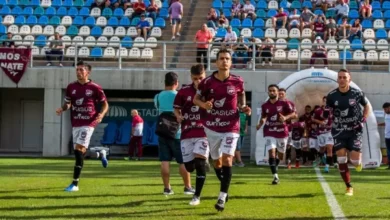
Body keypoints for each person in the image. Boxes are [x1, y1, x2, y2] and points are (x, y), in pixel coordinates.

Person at [193, 48, 251, 211]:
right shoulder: (207, 82)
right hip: (211, 127)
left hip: (231, 126)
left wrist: (244, 107)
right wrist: (204, 105)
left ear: (231, 62)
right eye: (221, 58)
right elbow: (196, 99)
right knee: (217, 162)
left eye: (227, 58)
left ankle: (221, 197)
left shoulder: (238, 81)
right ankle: (225, 187)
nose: (224, 61)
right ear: (216, 62)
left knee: (227, 159)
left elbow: (241, 98)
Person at [56, 61, 109, 192]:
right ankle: (99, 154)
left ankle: (75, 184)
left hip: (89, 122)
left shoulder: (95, 88)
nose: (78, 72)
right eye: (77, 70)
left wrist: (101, 115)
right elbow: (68, 103)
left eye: (81, 70)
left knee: (78, 150)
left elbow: (105, 104)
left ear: (88, 72)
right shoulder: (71, 87)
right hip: (76, 122)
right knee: (81, 152)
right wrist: (63, 109)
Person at [326, 68, 370, 196]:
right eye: (340, 77)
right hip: (339, 130)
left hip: (354, 130)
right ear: (337, 79)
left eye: (344, 77)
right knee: (341, 158)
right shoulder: (331, 95)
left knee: (355, 161)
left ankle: (358, 163)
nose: (342, 79)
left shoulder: (357, 93)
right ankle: (348, 186)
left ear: (349, 79)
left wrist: (363, 119)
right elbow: (328, 109)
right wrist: (326, 113)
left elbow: (366, 106)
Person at [173, 64, 209, 206]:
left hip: (203, 132)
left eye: (201, 78)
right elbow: (176, 109)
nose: (198, 81)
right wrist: (178, 116)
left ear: (204, 75)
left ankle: (197, 196)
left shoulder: (210, 91)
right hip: (187, 132)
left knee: (199, 163)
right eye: (195, 79)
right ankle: (202, 162)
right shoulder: (183, 92)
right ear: (191, 77)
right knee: (189, 167)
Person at [154, 72, 194, 195]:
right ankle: (187, 187)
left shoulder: (158, 96)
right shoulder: (180, 95)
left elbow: (158, 109)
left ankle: (167, 188)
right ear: (176, 83)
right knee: (183, 161)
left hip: (162, 132)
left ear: (164, 82)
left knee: (165, 161)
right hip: (178, 133)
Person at [256, 84, 295, 185]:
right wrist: (260, 124)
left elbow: (294, 114)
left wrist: (285, 118)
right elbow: (264, 116)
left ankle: (275, 164)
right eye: (270, 90)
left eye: (274, 90)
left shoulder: (285, 103)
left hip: (282, 132)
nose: (272, 92)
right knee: (272, 153)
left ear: (278, 92)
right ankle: (275, 177)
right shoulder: (265, 105)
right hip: (269, 131)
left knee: (281, 156)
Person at [312, 96, 334, 173]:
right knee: (322, 149)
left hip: (329, 132)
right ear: (322, 101)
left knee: (329, 148)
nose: (326, 102)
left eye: (327, 101)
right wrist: (320, 122)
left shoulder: (332, 110)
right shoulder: (318, 110)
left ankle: (327, 167)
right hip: (320, 132)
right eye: (324, 101)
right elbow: (313, 119)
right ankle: (320, 157)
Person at [278, 88, 297, 169]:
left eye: (282, 94)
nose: (281, 95)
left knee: (288, 145)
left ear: (285, 94)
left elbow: (296, 115)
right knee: (276, 145)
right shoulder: (274, 103)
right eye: (280, 94)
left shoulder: (290, 103)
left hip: (288, 128)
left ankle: (288, 161)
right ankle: (276, 162)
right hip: (277, 128)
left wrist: (286, 117)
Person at [378, 102, 390, 169]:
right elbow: (386, 123)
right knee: (388, 151)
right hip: (387, 136)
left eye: (386, 109)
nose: (385, 111)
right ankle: (389, 164)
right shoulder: (386, 115)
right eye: (384, 109)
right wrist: (378, 124)